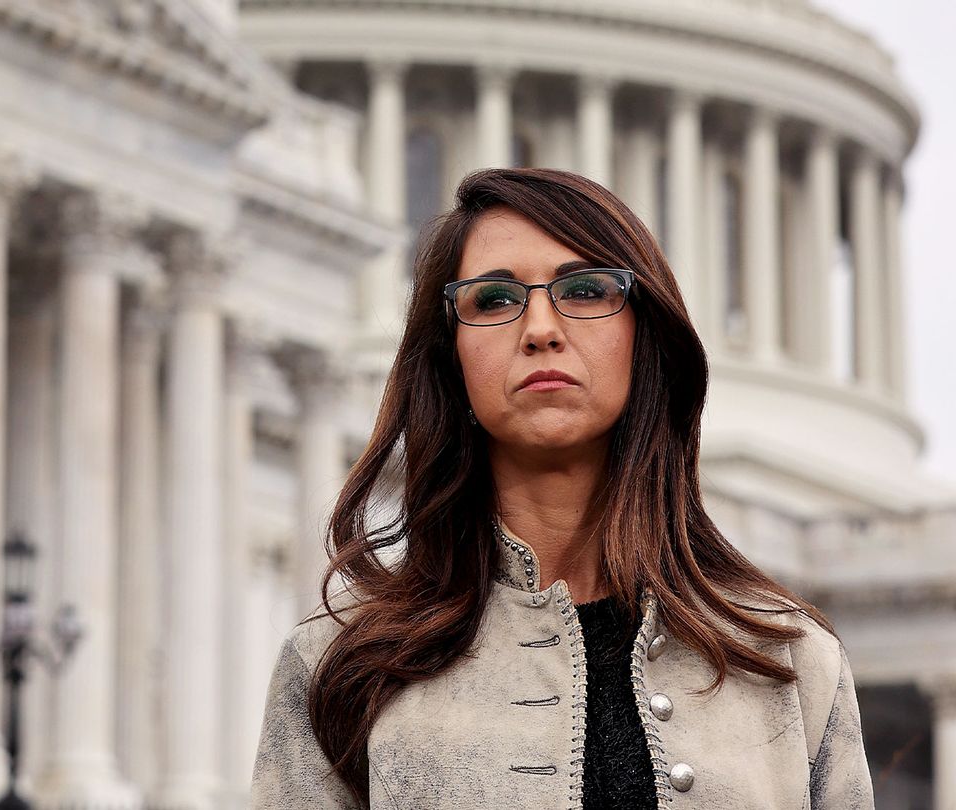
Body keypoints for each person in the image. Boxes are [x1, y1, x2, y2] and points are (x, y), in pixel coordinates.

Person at [249, 168, 875, 809]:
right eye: (493, 300)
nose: (540, 328)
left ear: (644, 337)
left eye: (583, 290)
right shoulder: (341, 669)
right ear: (450, 356)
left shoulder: (788, 663)